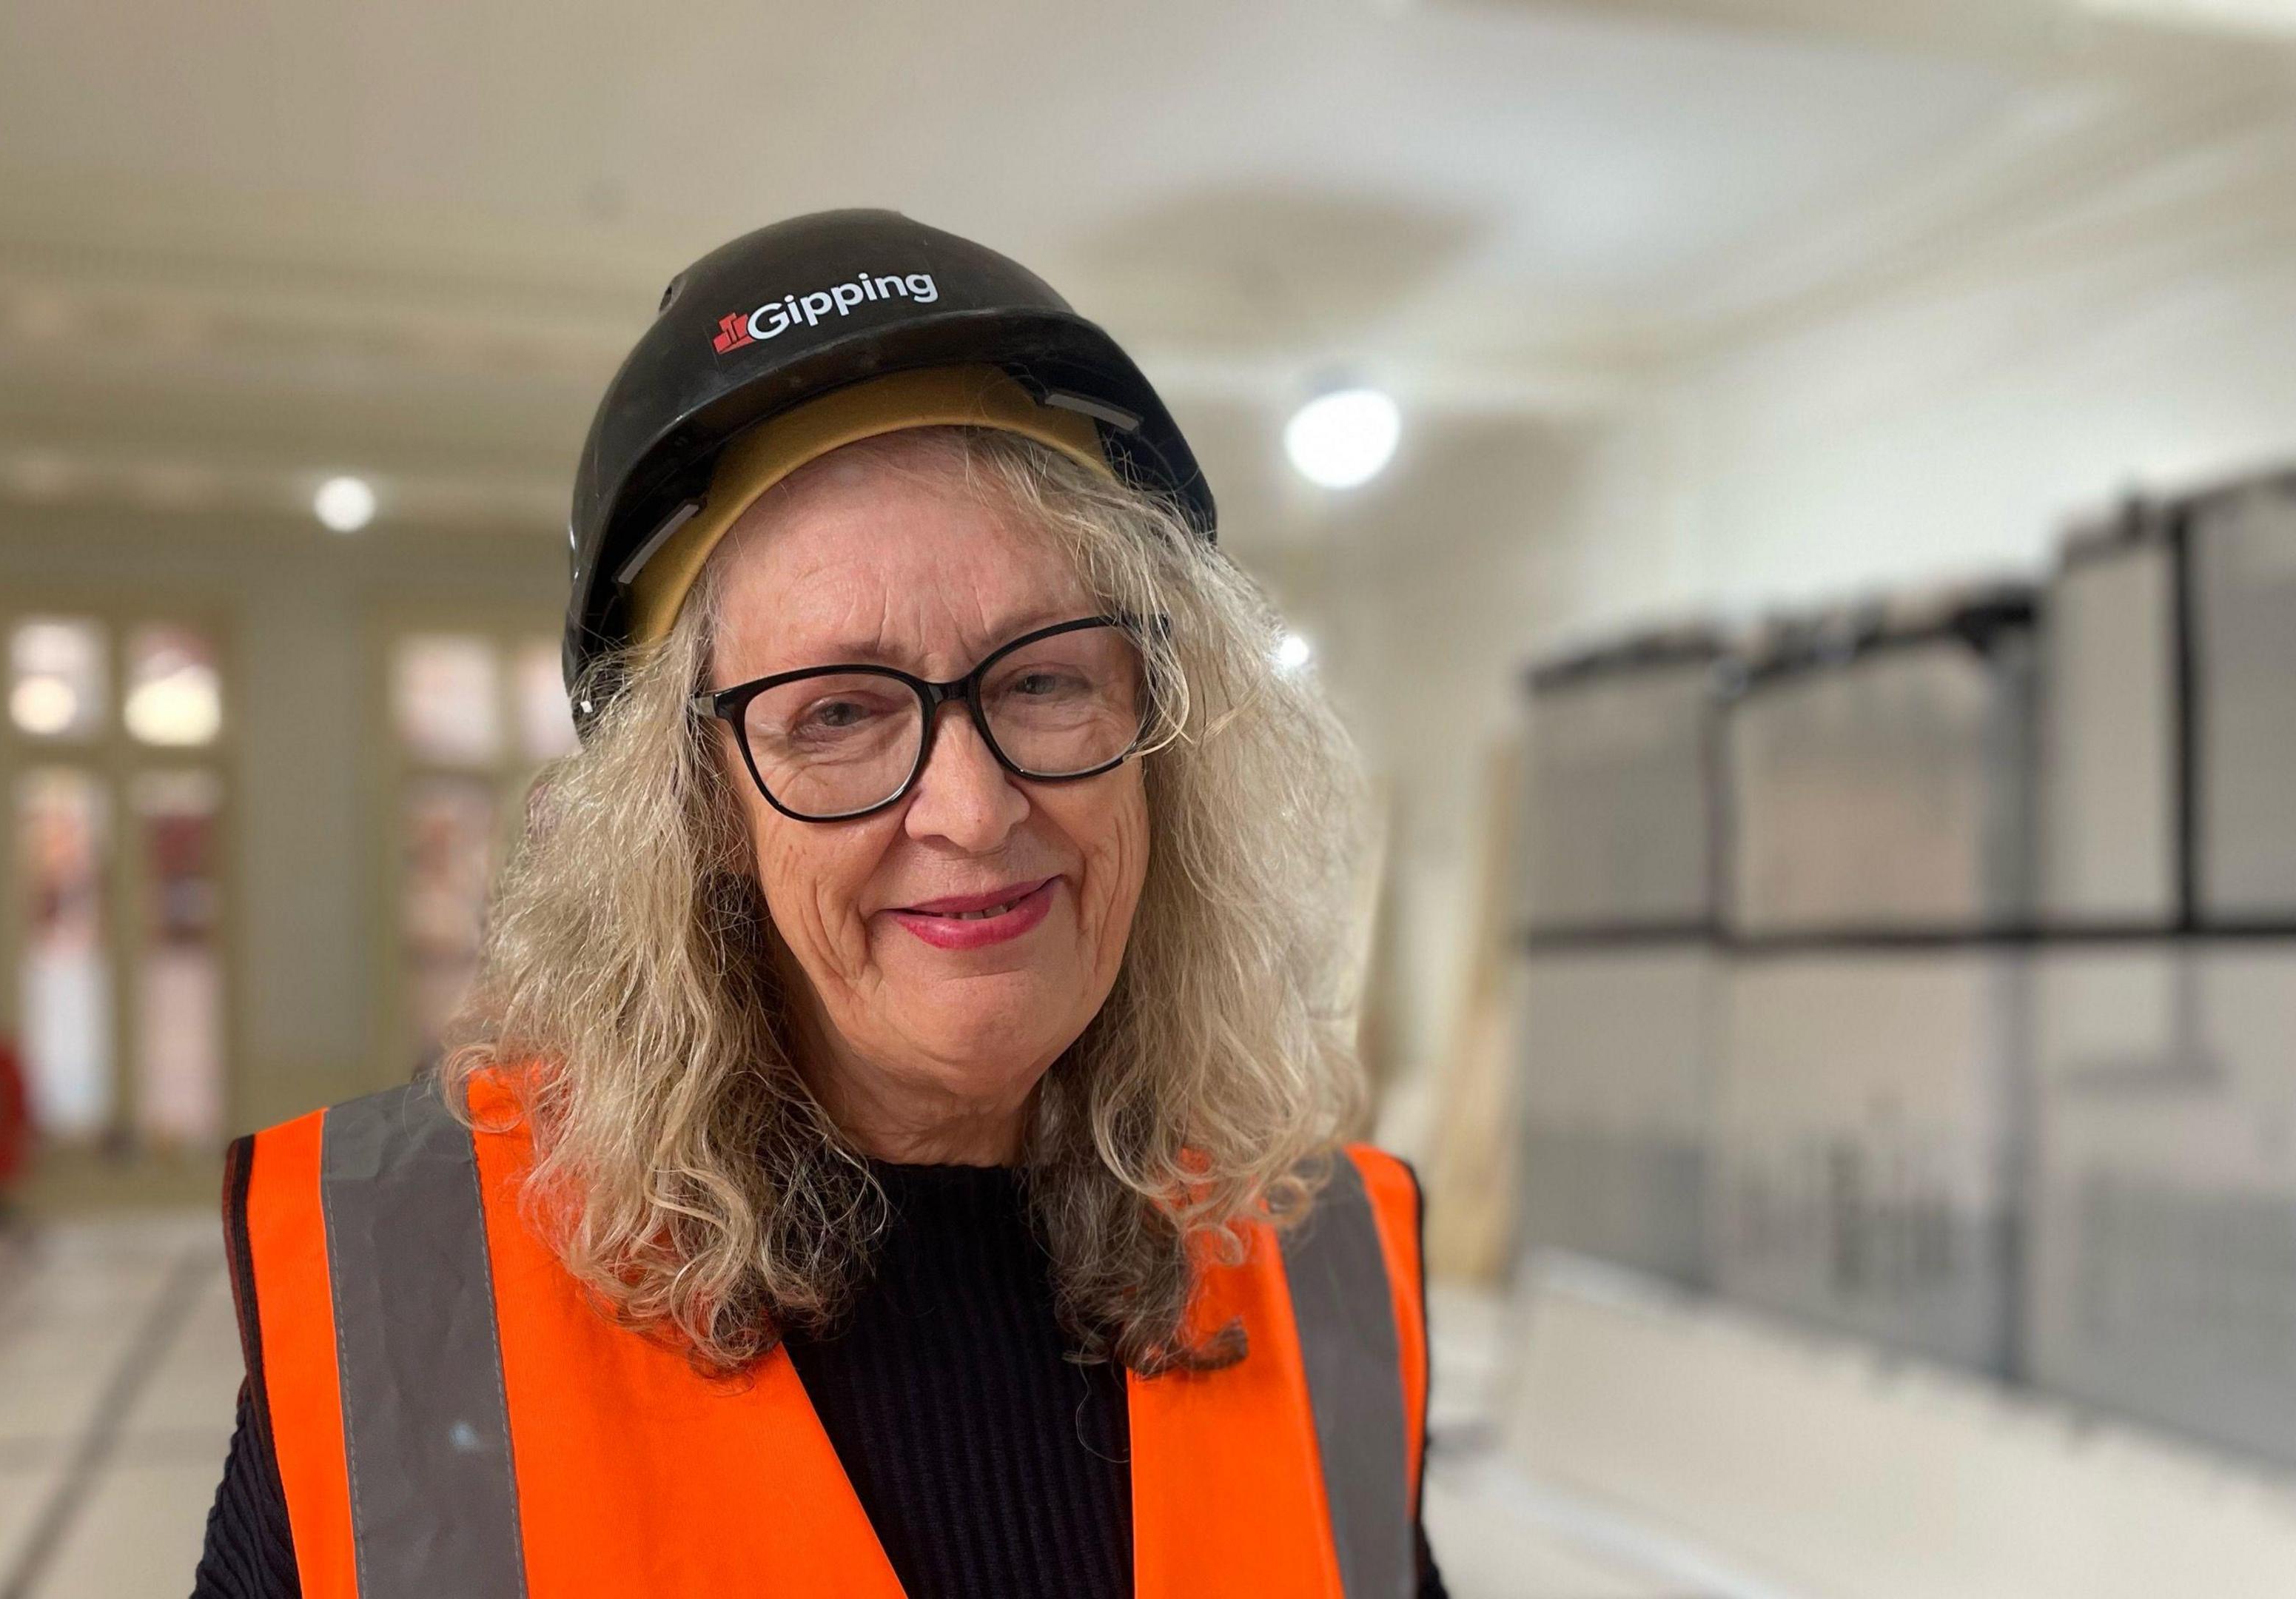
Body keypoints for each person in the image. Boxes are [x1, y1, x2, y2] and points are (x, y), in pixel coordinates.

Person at [194, 209, 1443, 1599]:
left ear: (1156, 735)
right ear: (702, 810)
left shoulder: (1323, 1263)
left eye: (1044, 680)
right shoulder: (417, 1301)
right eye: (838, 713)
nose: (972, 810)